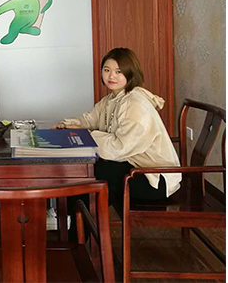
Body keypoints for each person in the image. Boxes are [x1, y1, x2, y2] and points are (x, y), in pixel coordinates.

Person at [53, 47, 182, 208]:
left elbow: (119, 148)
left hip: (154, 177)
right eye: (107, 70)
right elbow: (89, 120)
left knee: (95, 175)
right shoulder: (111, 99)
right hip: (132, 165)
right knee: (85, 172)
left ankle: (80, 219)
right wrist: (67, 126)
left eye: (118, 71)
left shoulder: (135, 103)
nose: (111, 76)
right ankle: (77, 218)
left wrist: (88, 135)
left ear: (130, 73)